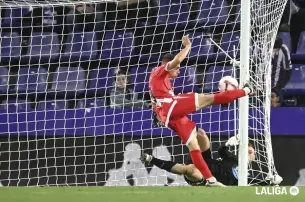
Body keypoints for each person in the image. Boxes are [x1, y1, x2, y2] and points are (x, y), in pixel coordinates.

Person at [149, 35, 253, 186]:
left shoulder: (161, 82)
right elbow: (177, 61)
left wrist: (158, 113)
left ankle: (210, 179)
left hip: (170, 117)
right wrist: (188, 47)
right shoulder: (158, 72)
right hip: (171, 106)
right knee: (211, 98)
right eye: (177, 69)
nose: (178, 71)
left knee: (194, 145)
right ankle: (246, 91)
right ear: (167, 64)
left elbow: (155, 104)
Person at [140, 131, 283, 186]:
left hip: (206, 178)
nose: (248, 153)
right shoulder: (233, 159)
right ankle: (176, 125)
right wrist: (228, 143)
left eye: (251, 152)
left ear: (254, 156)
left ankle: (151, 159)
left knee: (188, 169)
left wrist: (271, 181)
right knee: (201, 134)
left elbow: (259, 183)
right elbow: (221, 150)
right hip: (204, 160)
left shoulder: (247, 177)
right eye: (247, 150)